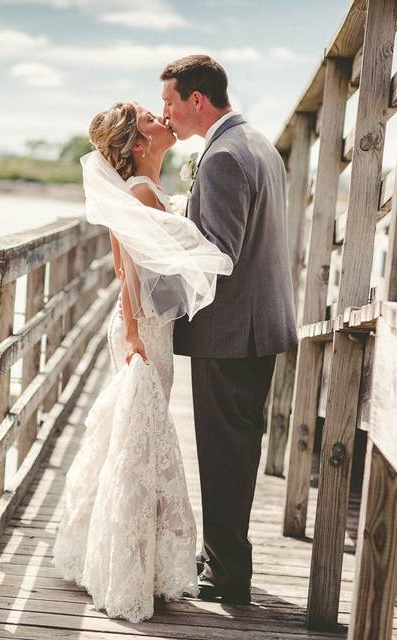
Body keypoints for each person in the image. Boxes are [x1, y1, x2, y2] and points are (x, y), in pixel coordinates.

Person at [52, 100, 233, 622]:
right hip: (142, 332)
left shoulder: (145, 193)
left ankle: (115, 551)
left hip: (147, 326)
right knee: (140, 439)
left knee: (131, 437)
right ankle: (127, 567)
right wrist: (133, 334)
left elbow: (142, 266)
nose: (164, 118)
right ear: (137, 142)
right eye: (152, 118)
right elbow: (126, 267)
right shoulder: (139, 194)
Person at [162, 54, 297, 604]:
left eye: (170, 103)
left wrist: (164, 233)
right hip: (257, 325)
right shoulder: (256, 143)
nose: (165, 114)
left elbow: (219, 254)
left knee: (224, 452)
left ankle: (226, 573)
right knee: (236, 450)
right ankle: (224, 555)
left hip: (233, 330)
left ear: (198, 100)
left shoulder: (221, 159)